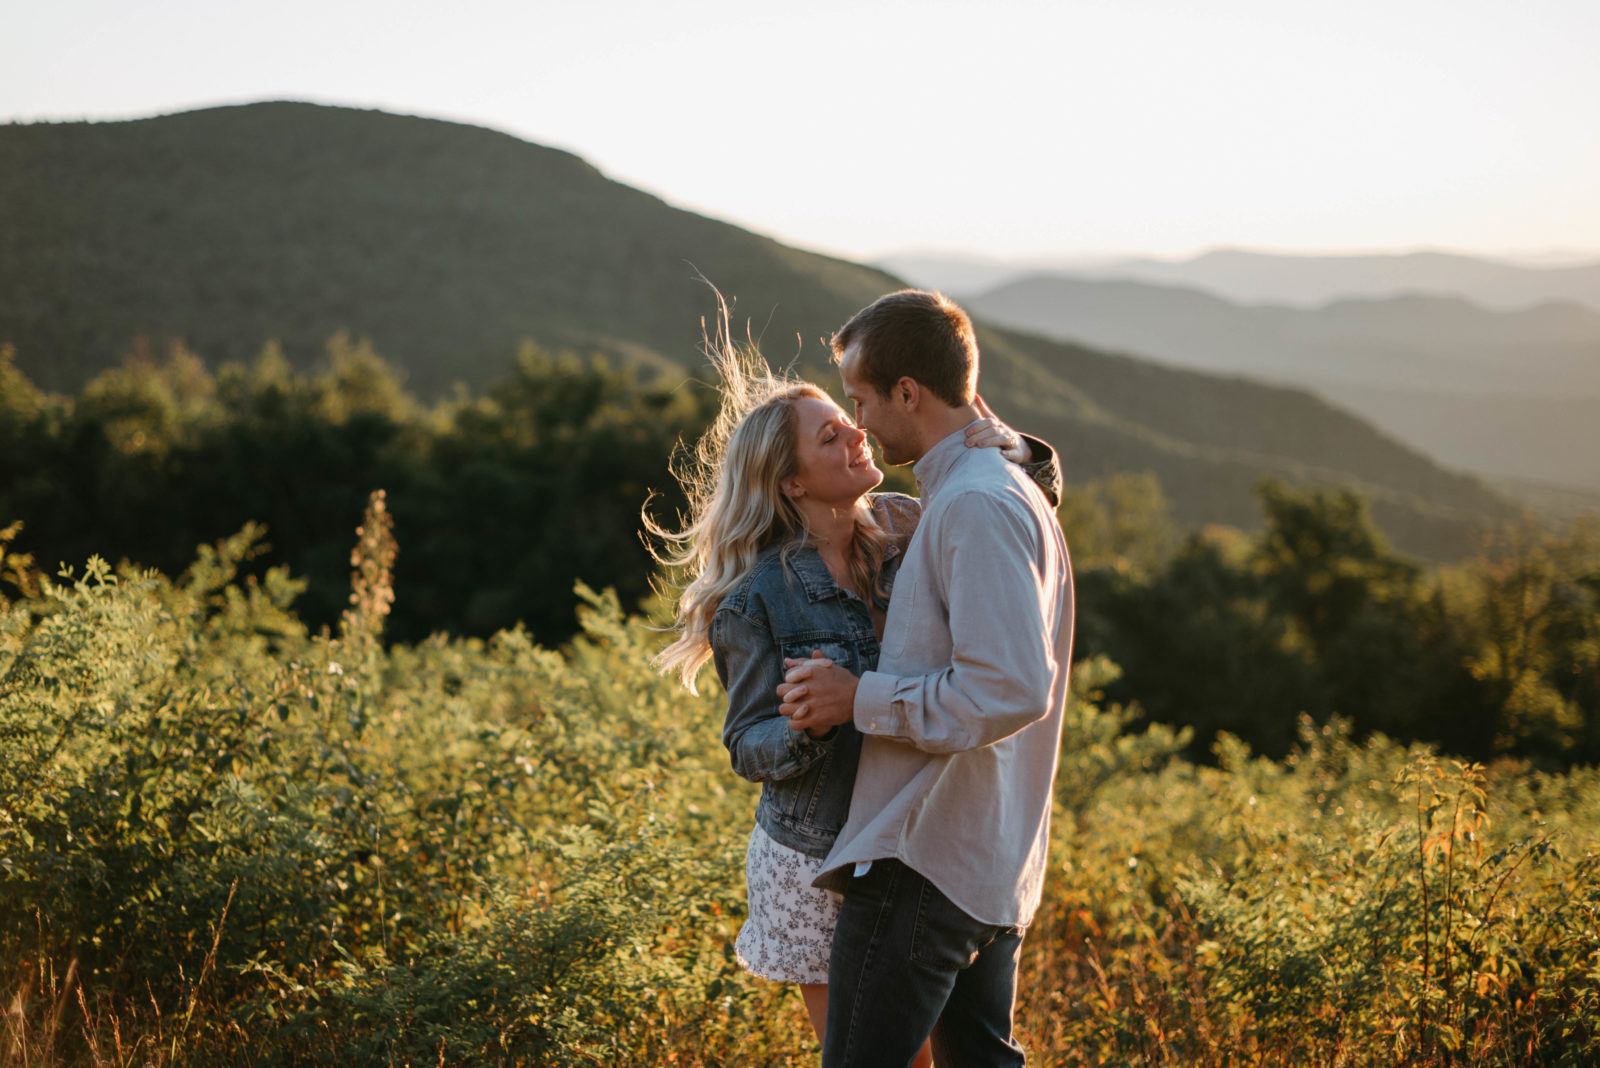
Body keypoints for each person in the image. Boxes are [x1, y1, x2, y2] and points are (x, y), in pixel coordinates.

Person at [649, 306, 1060, 1061]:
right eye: (832, 434)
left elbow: (1002, 510)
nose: (857, 433)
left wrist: (1007, 441)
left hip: (905, 836)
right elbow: (747, 744)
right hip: (814, 855)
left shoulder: (906, 524)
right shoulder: (756, 600)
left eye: (853, 415)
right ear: (792, 482)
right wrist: (812, 723)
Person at [777, 290, 1075, 1067]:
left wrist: (857, 698)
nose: (859, 422)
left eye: (862, 399)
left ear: (908, 392)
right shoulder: (988, 488)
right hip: (982, 858)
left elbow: (1010, 687)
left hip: (926, 855)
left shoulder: (974, 504)